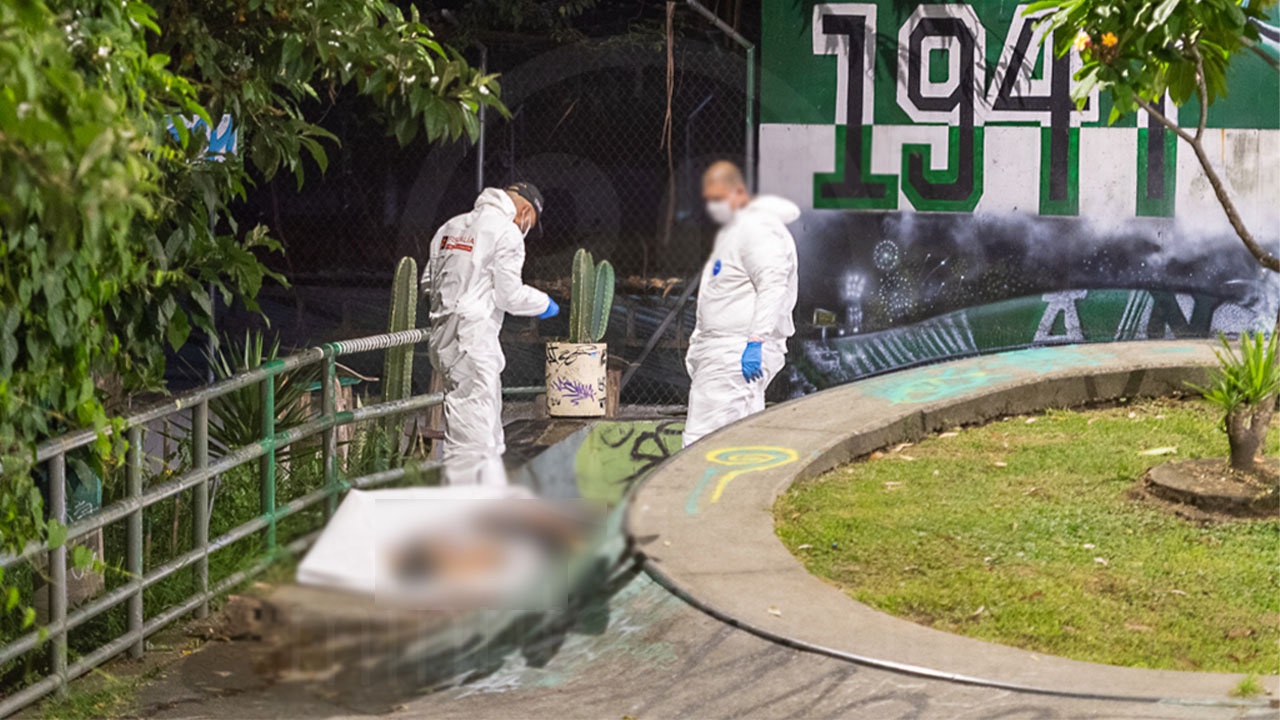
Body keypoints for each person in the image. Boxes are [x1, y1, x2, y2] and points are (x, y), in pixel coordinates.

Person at [422, 183, 559, 485]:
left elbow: (428, 283)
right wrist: (544, 303)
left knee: (480, 427)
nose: (525, 230)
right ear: (525, 212)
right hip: (473, 340)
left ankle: (489, 502)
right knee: (473, 436)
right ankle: (465, 511)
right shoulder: (506, 232)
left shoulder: (450, 226)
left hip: (444, 338)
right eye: (529, 225)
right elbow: (509, 296)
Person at [683, 161, 800, 447]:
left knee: (704, 444)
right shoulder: (738, 230)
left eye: (718, 198)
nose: (713, 206)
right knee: (732, 443)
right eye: (709, 199)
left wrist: (755, 341)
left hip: (735, 353)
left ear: (738, 192)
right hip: (725, 352)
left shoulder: (757, 229)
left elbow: (772, 283)